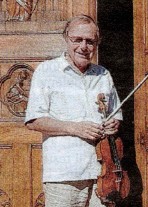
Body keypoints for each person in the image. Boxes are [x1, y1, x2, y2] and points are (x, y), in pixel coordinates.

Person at [25, 15, 122, 206]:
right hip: (64, 174)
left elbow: (115, 116)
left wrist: (113, 124)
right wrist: (75, 128)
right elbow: (33, 120)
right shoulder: (46, 71)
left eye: (90, 41)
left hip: (102, 175)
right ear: (66, 38)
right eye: (77, 40)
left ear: (97, 43)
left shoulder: (103, 75)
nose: (83, 47)